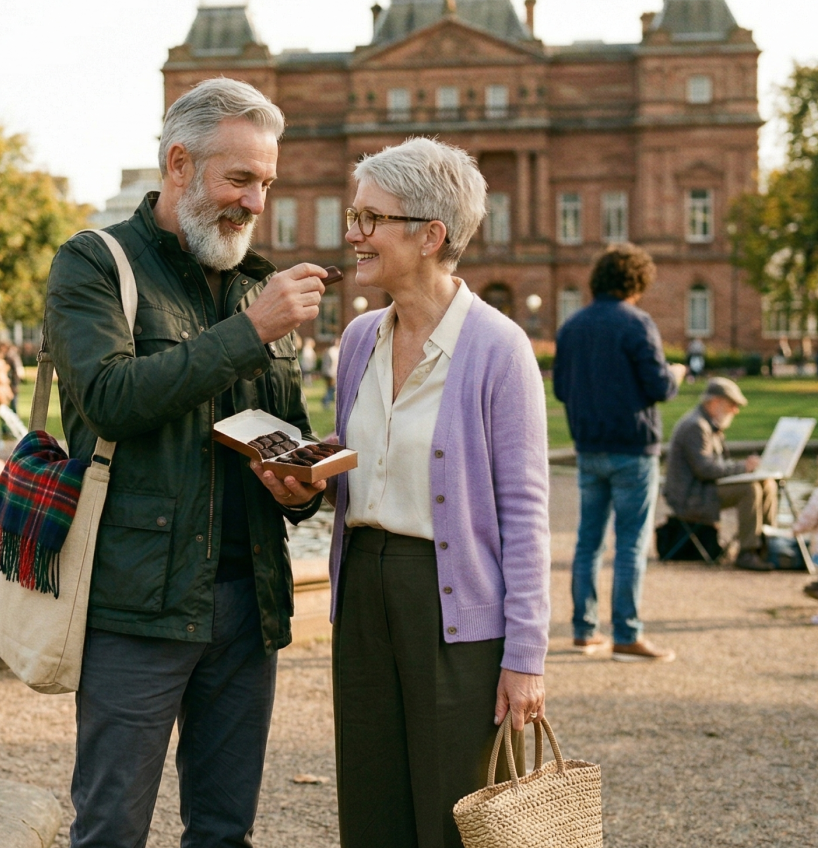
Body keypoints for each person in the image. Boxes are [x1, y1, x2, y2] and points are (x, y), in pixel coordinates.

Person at [44, 77, 330, 848]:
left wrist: (301, 488)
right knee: (111, 831)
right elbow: (109, 400)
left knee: (225, 834)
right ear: (178, 164)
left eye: (266, 183)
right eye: (240, 179)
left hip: (248, 603)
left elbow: (286, 431)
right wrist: (250, 331)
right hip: (137, 605)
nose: (255, 203)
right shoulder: (95, 263)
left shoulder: (255, 284)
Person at [328, 136, 550, 847]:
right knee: (371, 802)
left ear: (431, 235)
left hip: (453, 607)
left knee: (456, 812)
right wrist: (304, 475)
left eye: (371, 219)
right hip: (362, 592)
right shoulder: (359, 339)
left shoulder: (499, 347)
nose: (354, 233)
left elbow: (525, 512)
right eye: (355, 216)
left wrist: (526, 657)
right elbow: (363, 465)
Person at [554, 244, 686, 663]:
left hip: (589, 445)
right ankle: (627, 634)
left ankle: (585, 630)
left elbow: (561, 389)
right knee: (630, 543)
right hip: (632, 446)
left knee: (588, 541)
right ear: (636, 281)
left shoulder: (572, 326)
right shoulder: (637, 322)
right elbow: (658, 386)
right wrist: (677, 374)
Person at [663, 377, 778, 571]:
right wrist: (744, 467)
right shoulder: (696, 426)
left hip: (702, 490)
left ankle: (768, 545)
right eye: (733, 405)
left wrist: (746, 468)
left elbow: (716, 466)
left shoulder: (709, 425)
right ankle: (747, 552)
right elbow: (705, 469)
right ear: (715, 402)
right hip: (690, 498)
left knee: (767, 484)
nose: (736, 410)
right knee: (749, 489)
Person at [320, 335, 339, 408]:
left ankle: (326, 400)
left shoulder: (329, 350)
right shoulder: (333, 351)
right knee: (331, 388)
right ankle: (326, 401)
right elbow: (334, 362)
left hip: (328, 372)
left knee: (330, 388)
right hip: (331, 372)